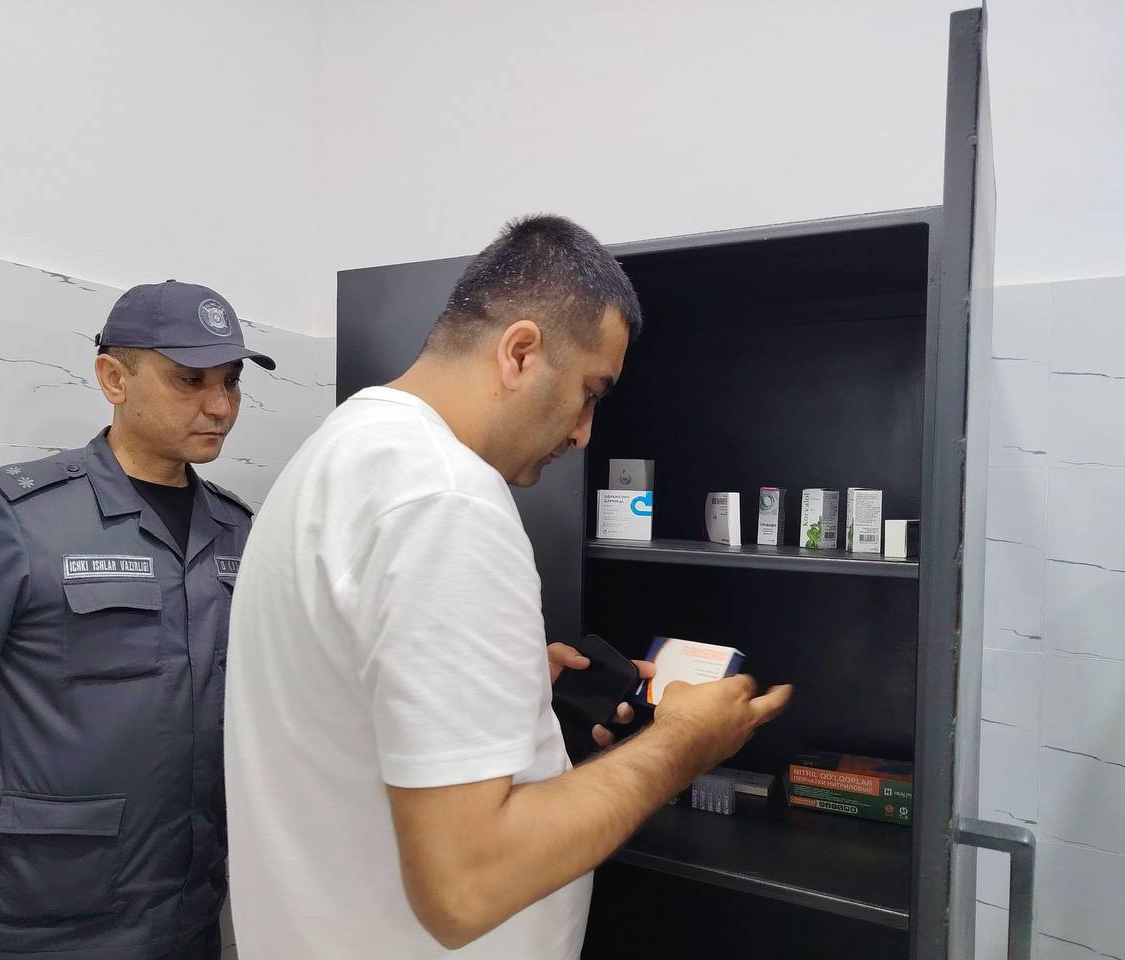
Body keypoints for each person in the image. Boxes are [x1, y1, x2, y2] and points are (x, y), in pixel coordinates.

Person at [224, 214, 792, 959]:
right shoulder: (447, 498)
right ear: (520, 352)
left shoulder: (341, 450)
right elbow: (465, 888)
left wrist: (506, 687)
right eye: (589, 392)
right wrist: (684, 743)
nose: (585, 432)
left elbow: (348, 697)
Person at [0, 281, 276, 960]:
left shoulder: (236, 529)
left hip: (188, 914)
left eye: (230, 381)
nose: (221, 406)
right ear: (114, 378)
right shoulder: (15, 516)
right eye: (190, 379)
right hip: (37, 920)